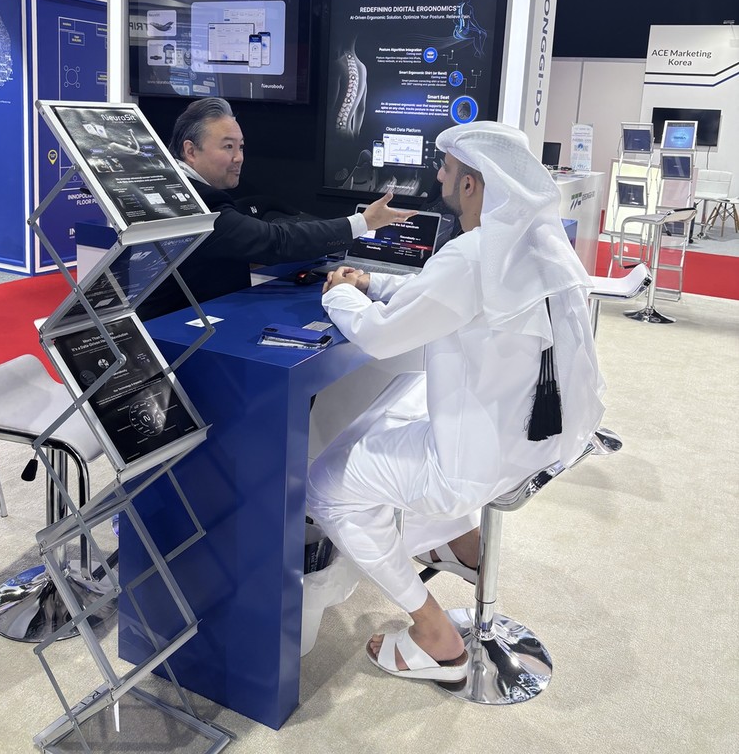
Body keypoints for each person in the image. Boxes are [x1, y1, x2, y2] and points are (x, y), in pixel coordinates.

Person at [306, 121, 604, 684]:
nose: (438, 177)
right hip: (535, 449)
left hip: (474, 465)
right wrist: (376, 285)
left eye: (445, 169)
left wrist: (341, 294)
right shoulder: (536, 243)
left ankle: (435, 635)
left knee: (324, 484)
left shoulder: (470, 256)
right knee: (397, 402)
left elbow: (379, 336)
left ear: (470, 184)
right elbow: (447, 297)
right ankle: (464, 546)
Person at [138, 97, 416, 319]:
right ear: (190, 151)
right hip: (172, 336)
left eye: (241, 147)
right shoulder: (199, 203)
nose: (238, 158)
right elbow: (275, 242)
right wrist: (364, 222)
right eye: (227, 147)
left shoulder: (164, 186)